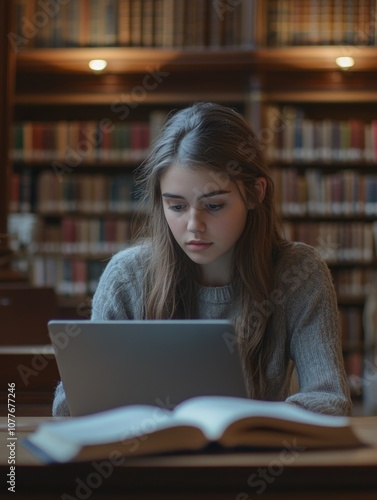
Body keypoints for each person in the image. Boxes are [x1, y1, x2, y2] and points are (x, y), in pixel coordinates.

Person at [52, 102, 352, 417]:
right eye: (177, 207)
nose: (194, 225)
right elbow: (68, 406)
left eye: (214, 205)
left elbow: (330, 400)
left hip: (251, 460)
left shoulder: (299, 272)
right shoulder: (127, 276)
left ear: (255, 193)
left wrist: (242, 421)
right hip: (144, 461)